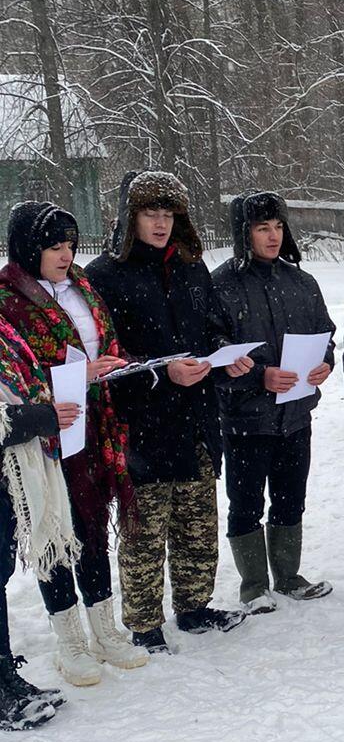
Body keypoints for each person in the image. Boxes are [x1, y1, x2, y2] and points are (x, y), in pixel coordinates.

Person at [86, 172, 254, 652]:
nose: (161, 224)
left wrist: (225, 358)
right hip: (142, 424)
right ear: (129, 218)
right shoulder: (103, 277)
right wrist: (160, 373)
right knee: (144, 530)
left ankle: (195, 607)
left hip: (197, 417)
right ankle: (143, 624)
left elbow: (207, 331)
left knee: (197, 522)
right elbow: (106, 359)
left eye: (169, 214)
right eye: (150, 214)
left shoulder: (190, 268)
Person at [0, 202, 145, 683]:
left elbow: (104, 340)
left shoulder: (81, 285)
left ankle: (106, 631)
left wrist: (115, 362)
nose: (65, 255)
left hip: (91, 423)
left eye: (70, 245)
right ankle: (71, 642)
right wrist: (78, 373)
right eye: (53, 246)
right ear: (28, 248)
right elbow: (13, 376)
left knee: (90, 525)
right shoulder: (9, 299)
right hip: (41, 437)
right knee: (55, 529)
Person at [210, 192, 336, 610]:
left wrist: (325, 364)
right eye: (263, 228)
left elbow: (325, 335)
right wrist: (259, 376)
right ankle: (253, 585)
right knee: (245, 502)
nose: (273, 236)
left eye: (278, 226)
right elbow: (214, 353)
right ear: (244, 233)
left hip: (296, 415)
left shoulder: (302, 283)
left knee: (290, 497)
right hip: (246, 419)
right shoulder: (221, 285)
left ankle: (287, 575)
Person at [0, 312, 82, 729]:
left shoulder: (4, 329)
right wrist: (42, 418)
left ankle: (4, 678)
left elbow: (22, 386)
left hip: (8, 475)